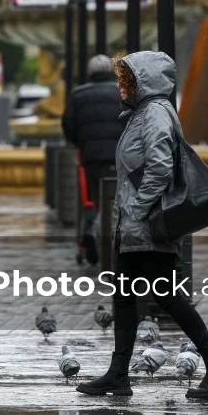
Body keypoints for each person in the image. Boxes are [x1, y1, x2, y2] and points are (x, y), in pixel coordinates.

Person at [77, 51, 208, 400]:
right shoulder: (141, 114)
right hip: (135, 227)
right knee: (125, 298)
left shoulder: (154, 114)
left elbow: (160, 167)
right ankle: (119, 374)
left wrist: (135, 209)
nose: (121, 85)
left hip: (147, 227)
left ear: (144, 81)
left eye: (127, 79)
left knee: (166, 297)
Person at [61, 54, 125, 266]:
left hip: (91, 158)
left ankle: (92, 232)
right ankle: (103, 236)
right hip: (120, 156)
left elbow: (68, 125)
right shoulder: (122, 92)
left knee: (95, 199)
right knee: (119, 200)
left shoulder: (78, 94)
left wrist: (82, 142)